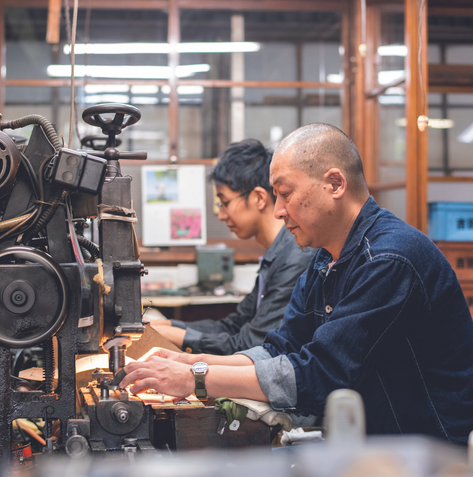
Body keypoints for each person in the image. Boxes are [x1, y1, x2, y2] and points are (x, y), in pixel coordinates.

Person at [122, 124, 473, 445]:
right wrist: (195, 362)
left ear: (335, 184)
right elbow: (281, 347)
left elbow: (319, 373)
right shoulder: (326, 257)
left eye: (285, 194)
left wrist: (198, 379)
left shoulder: (389, 259)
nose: (277, 211)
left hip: (429, 450)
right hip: (375, 442)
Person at [152, 138, 315, 354]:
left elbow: (253, 344)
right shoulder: (276, 254)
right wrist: (165, 326)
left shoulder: (295, 255)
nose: (220, 215)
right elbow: (234, 325)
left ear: (258, 198)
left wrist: (167, 333)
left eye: (225, 202)